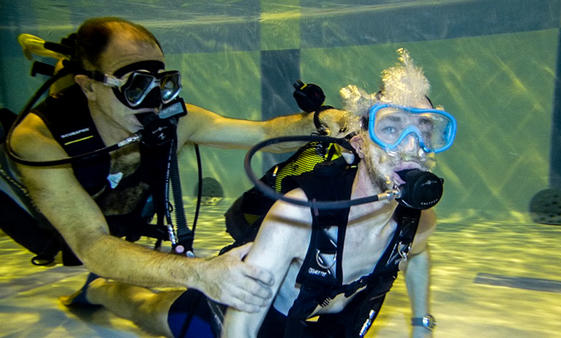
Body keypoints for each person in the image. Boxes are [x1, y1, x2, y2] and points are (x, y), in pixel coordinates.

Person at [74, 48, 455, 338]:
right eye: (391, 128)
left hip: (313, 326)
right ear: (358, 142)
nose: (411, 146)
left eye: (425, 130)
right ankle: (102, 291)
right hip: (242, 318)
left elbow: (415, 255)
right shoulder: (298, 216)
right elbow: (241, 326)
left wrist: (422, 322)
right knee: (150, 312)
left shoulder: (417, 221)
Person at [0, 17, 348, 313]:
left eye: (162, 84)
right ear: (89, 88)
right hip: (40, 219)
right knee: (53, 245)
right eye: (136, 86)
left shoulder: (173, 120)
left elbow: (263, 133)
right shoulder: (38, 139)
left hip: (116, 205)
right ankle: (58, 57)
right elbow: (90, 244)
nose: (154, 102)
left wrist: (322, 120)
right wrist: (199, 273)